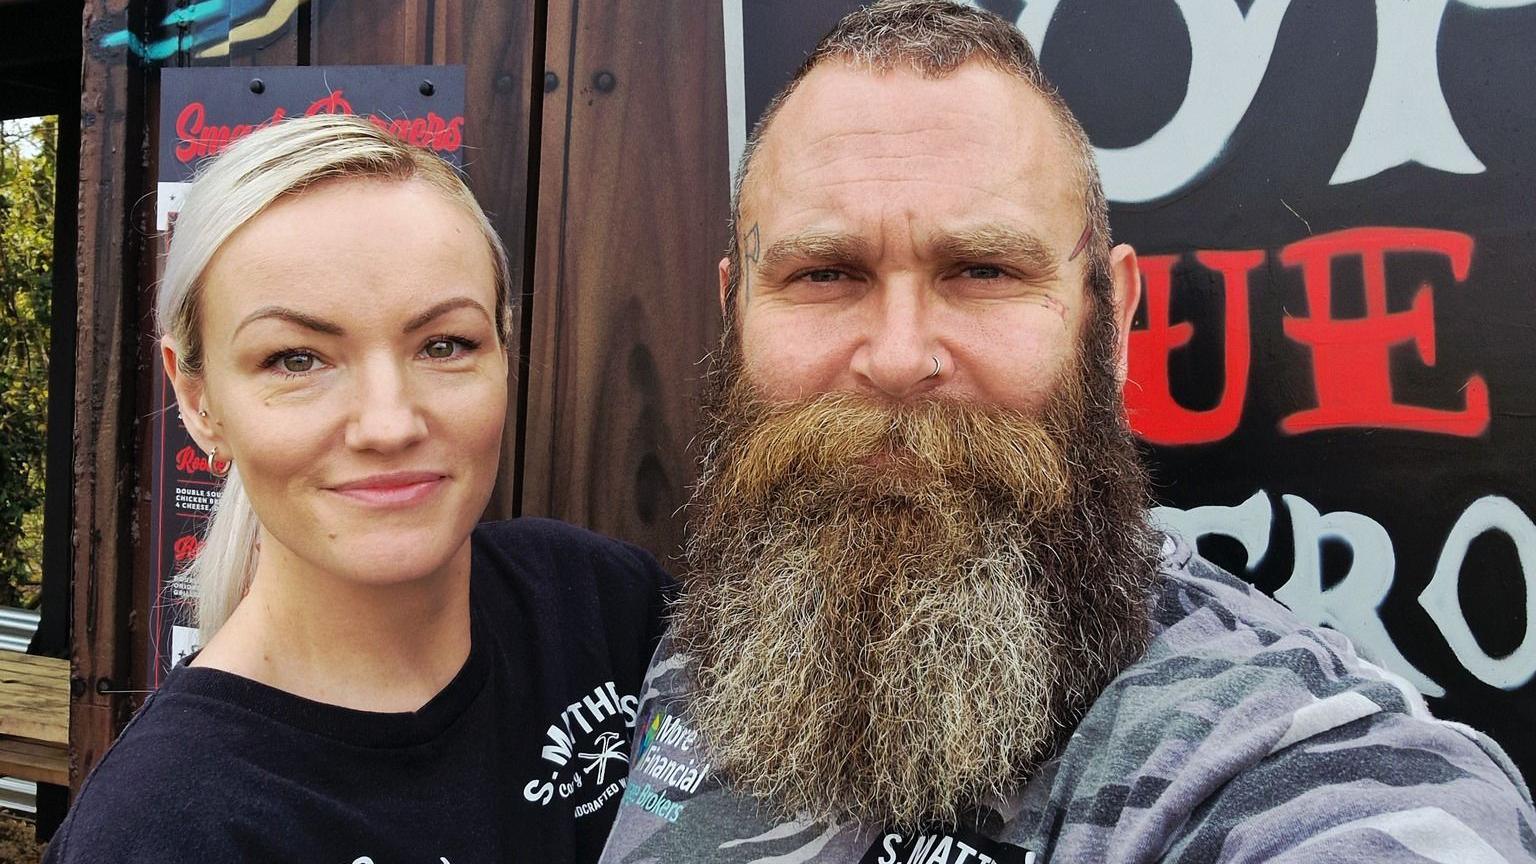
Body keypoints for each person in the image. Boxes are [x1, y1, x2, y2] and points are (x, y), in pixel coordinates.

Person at [597, 2, 1536, 862]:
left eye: (984, 270)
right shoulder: (688, 641)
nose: (897, 356)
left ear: (1112, 319)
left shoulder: (1290, 754)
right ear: (735, 312)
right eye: (824, 274)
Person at [44, 114, 670, 863]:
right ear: (198, 400)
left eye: (445, 345)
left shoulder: (599, 603)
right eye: (296, 359)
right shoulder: (163, 831)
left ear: (504, 349)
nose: (388, 424)